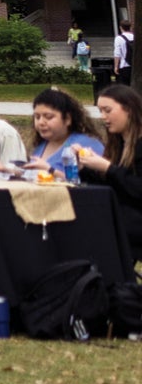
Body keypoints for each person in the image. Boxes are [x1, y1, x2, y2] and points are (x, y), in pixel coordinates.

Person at [75, 84, 142, 263]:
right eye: (100, 111)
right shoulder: (119, 144)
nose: (103, 117)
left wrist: (107, 168)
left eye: (108, 110)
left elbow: (136, 189)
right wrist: (86, 167)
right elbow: (113, 187)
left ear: (128, 109)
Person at [25, 87, 103, 174]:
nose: (41, 122)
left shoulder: (87, 145)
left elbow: (92, 183)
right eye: (37, 117)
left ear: (67, 119)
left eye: (48, 117)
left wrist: (51, 170)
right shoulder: (40, 145)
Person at [114, 20, 134, 86]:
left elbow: (117, 54)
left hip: (124, 65)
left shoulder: (119, 38)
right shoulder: (135, 36)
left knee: (125, 86)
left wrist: (116, 66)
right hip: (135, 65)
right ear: (130, 27)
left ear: (121, 27)